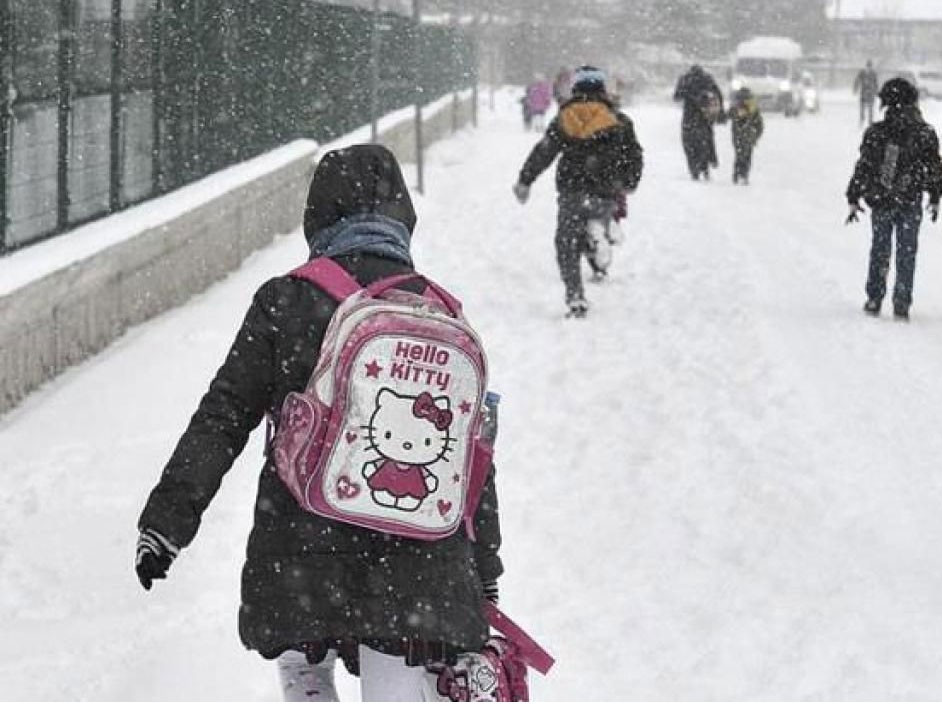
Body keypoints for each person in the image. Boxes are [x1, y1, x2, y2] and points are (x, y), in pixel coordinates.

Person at [134, 144, 504, 701]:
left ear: (318, 217)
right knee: (400, 683)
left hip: (301, 548)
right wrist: (485, 566)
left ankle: (307, 681)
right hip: (417, 561)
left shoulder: (286, 300)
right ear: (402, 218)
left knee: (304, 666)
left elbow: (224, 415)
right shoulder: (438, 312)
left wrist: (167, 522)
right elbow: (469, 457)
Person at [513, 66, 644, 318]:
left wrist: (525, 180)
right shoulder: (620, 121)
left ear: (575, 89)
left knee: (566, 242)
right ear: (603, 89)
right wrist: (629, 182)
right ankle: (601, 236)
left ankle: (575, 296)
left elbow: (544, 152)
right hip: (606, 189)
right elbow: (634, 155)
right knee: (598, 219)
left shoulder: (564, 118)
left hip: (572, 189)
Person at [845, 78, 942, 321]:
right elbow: (934, 166)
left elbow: (864, 166)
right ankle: (902, 300)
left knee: (880, 249)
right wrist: (935, 194)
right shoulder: (924, 133)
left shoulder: (877, 132)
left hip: (881, 199)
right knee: (906, 251)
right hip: (911, 199)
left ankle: (874, 296)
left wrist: (854, 194)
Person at [673, 65, 724, 181]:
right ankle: (706, 164)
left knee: (689, 144)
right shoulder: (707, 79)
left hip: (689, 116)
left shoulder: (685, 79)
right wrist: (720, 112)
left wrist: (688, 95)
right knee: (705, 141)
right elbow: (718, 94)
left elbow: (676, 96)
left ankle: (694, 169)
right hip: (704, 115)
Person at [728, 87, 764, 185]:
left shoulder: (736, 108)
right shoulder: (753, 109)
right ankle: (743, 175)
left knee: (739, 155)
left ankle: (737, 174)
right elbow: (759, 124)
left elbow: (729, 115)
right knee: (747, 156)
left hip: (738, 136)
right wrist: (756, 135)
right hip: (749, 136)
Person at [853, 60, 879, 127]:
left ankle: (870, 121)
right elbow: (857, 80)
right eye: (868, 66)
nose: (869, 67)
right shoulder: (862, 72)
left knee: (870, 108)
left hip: (870, 93)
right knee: (862, 107)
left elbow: (876, 82)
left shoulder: (874, 73)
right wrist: (855, 88)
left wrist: (876, 91)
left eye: (870, 66)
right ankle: (862, 120)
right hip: (864, 92)